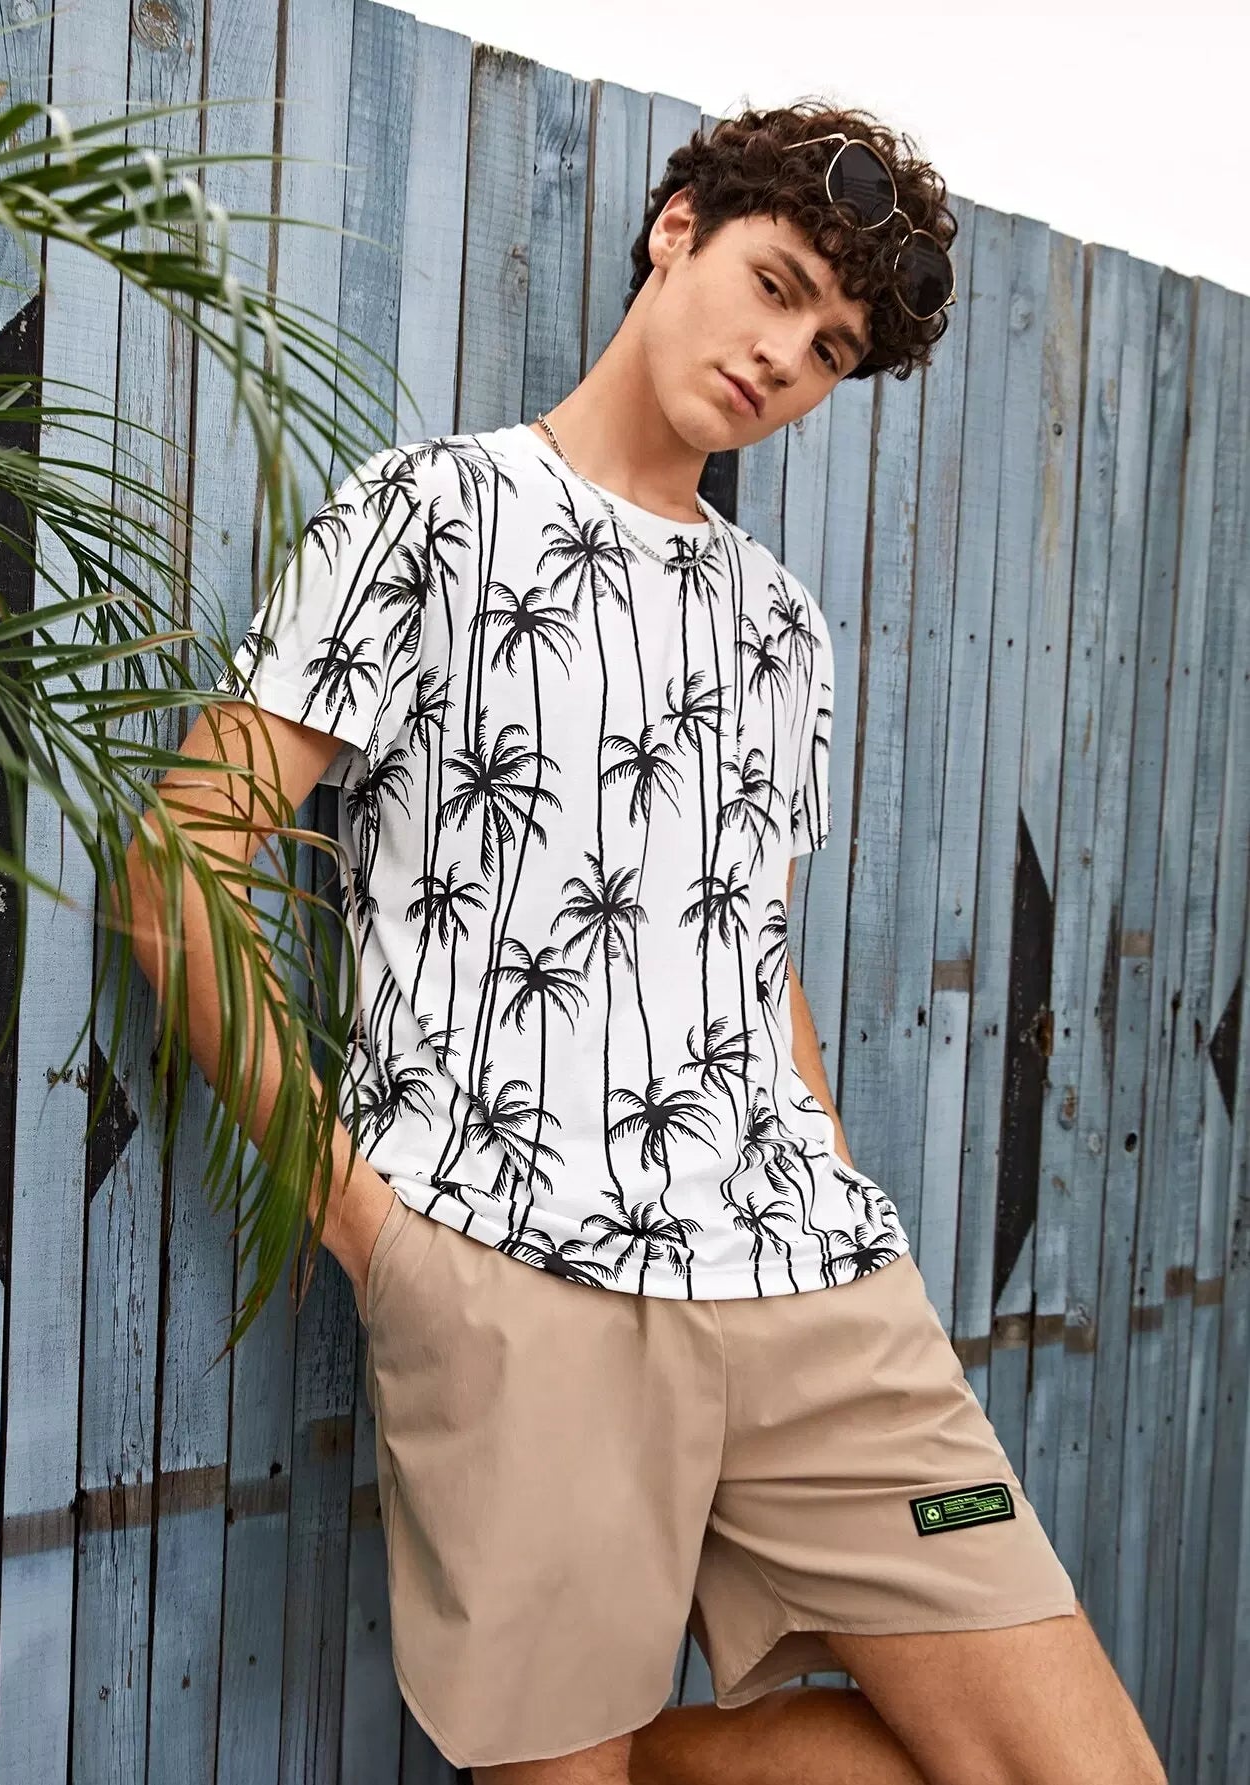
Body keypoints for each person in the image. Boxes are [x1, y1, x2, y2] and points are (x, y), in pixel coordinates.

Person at [125, 103, 1167, 1784]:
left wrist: (832, 1179)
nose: (783, 358)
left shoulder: (782, 627)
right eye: (776, 287)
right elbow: (175, 863)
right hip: (512, 1270)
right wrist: (373, 1231)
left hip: (807, 1282)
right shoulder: (431, 514)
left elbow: (748, 942)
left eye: (829, 350)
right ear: (678, 228)